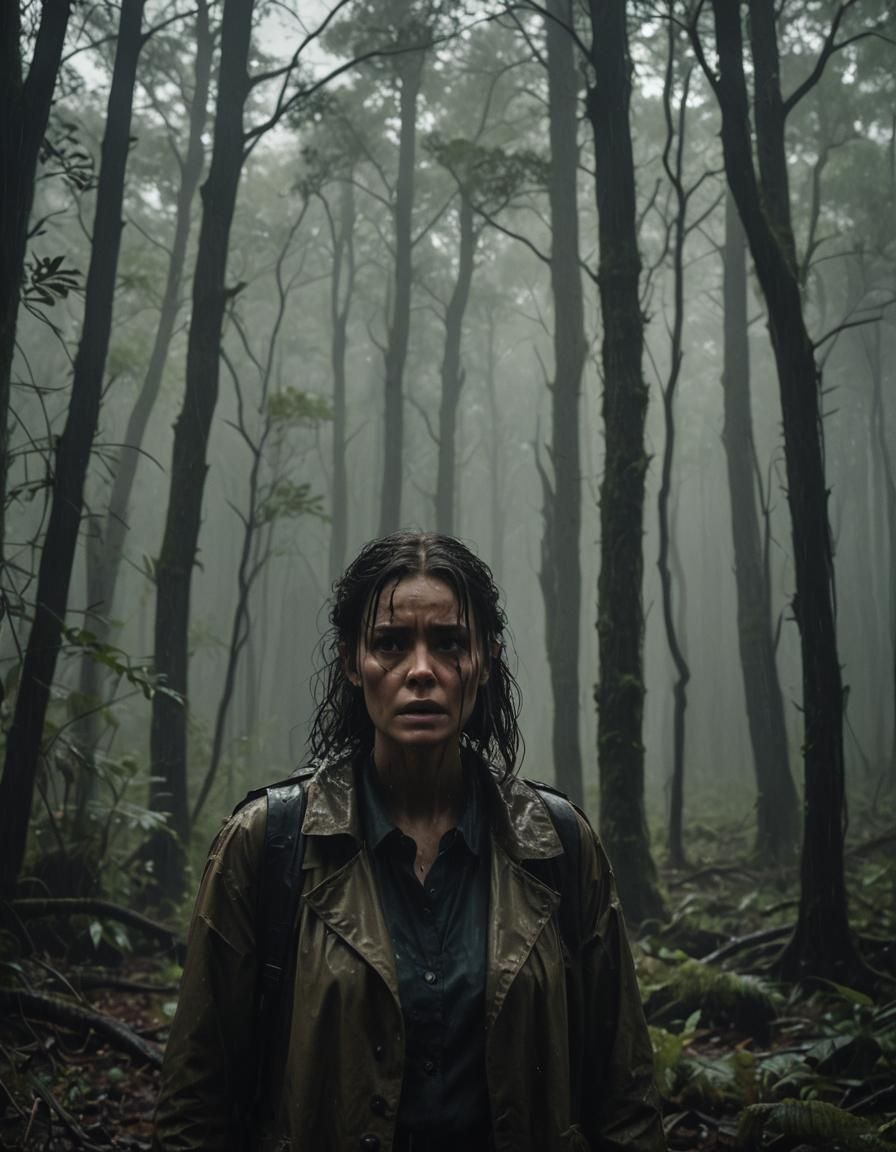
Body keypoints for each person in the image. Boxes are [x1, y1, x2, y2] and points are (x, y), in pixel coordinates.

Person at [153, 531, 665, 1152]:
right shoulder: (268, 844)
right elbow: (194, 1105)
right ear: (351, 662)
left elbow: (625, 1100)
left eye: (448, 643)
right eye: (391, 644)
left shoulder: (557, 845)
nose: (420, 671)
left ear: (486, 658)